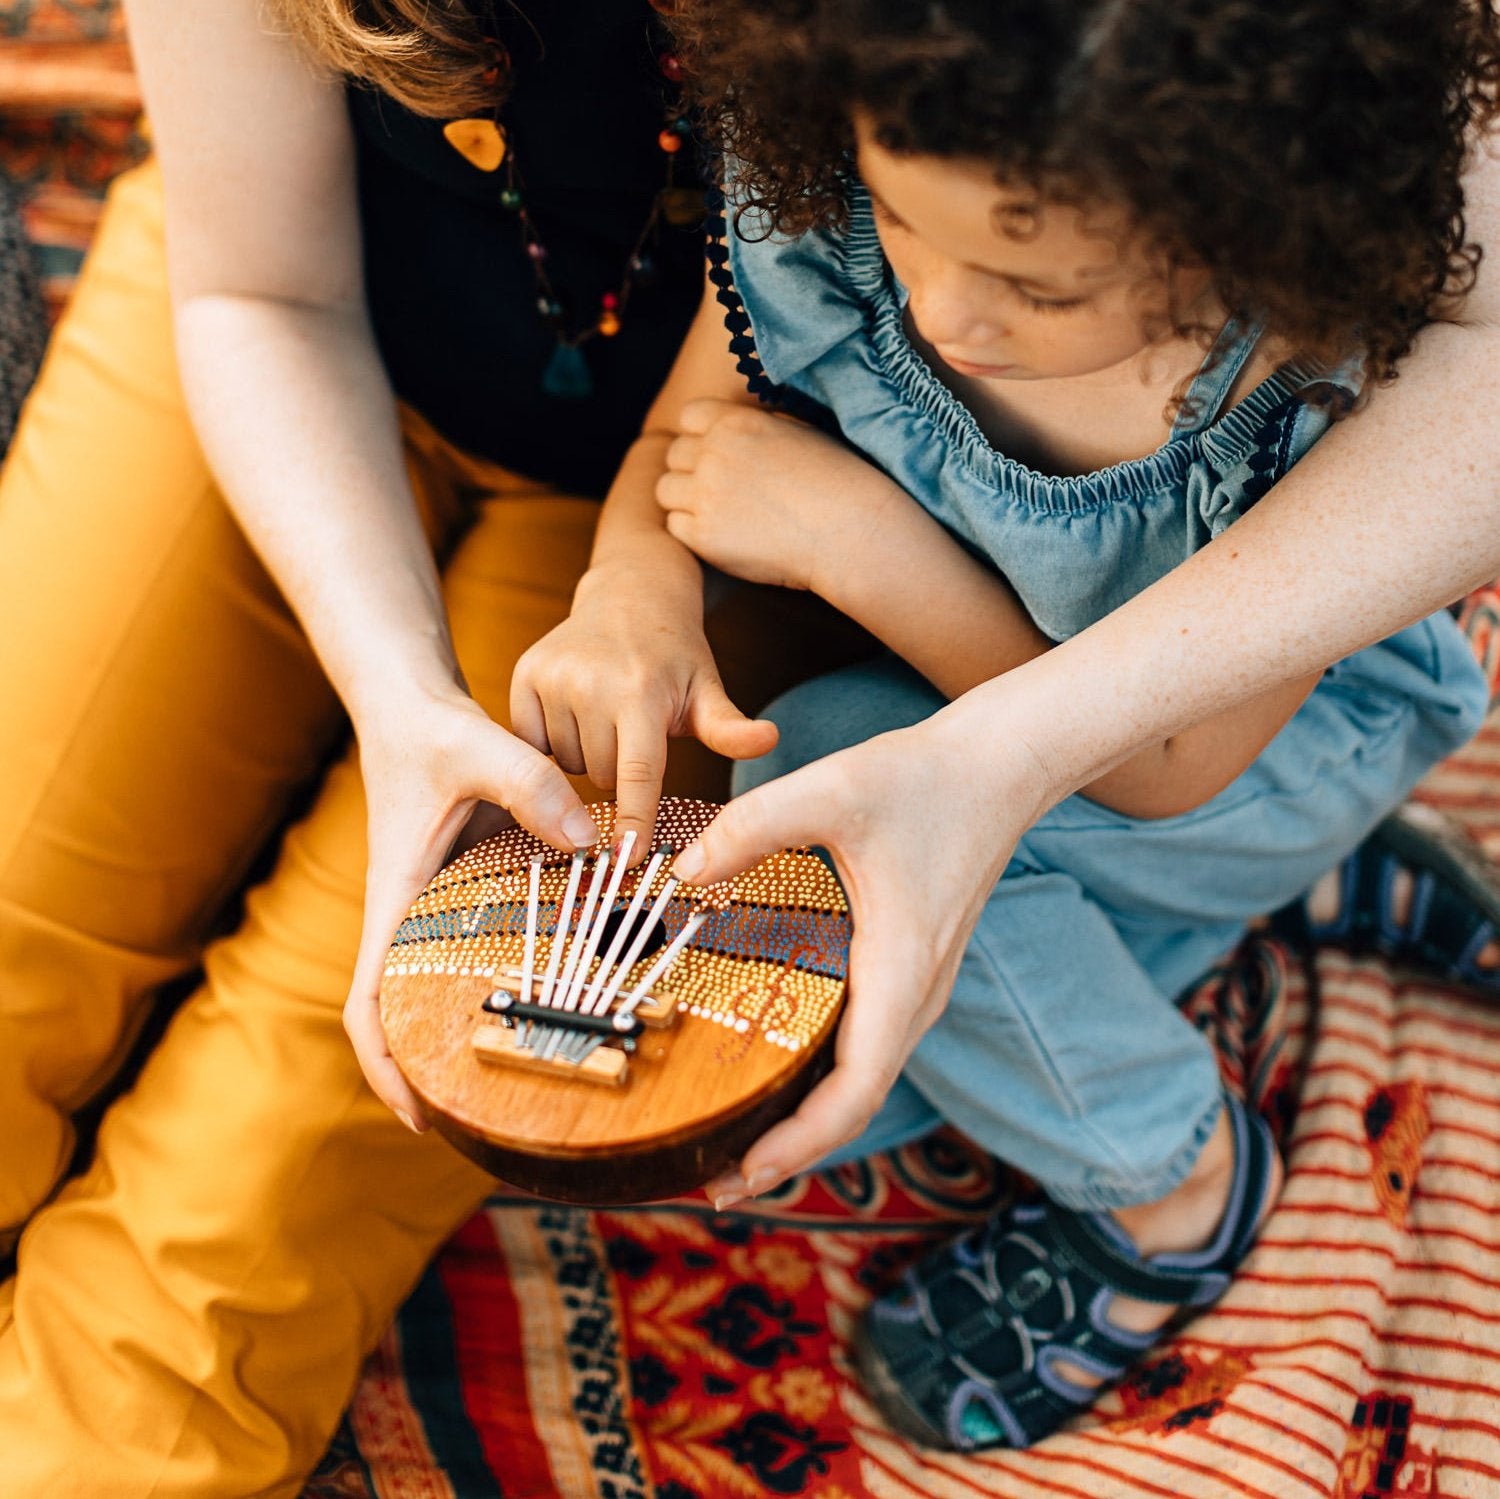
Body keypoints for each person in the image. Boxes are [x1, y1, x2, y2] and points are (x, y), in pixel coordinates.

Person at [515, 0, 1500, 1451]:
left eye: (1038, 287)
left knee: (839, 775)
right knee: (792, 843)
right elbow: (687, 442)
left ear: (1248, 230)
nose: (944, 314)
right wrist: (631, 599)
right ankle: (1295, 892)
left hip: (1248, 753)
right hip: (1075, 739)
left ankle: (1172, 1182)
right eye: (908, 224)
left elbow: (1171, 762)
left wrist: (869, 553)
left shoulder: (1292, 384)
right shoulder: (840, 203)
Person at [0, 1, 879, 1492]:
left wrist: (641, 581)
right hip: (277, 313)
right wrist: (397, 696)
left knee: (255, 1206)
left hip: (689, 521)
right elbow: (259, 291)